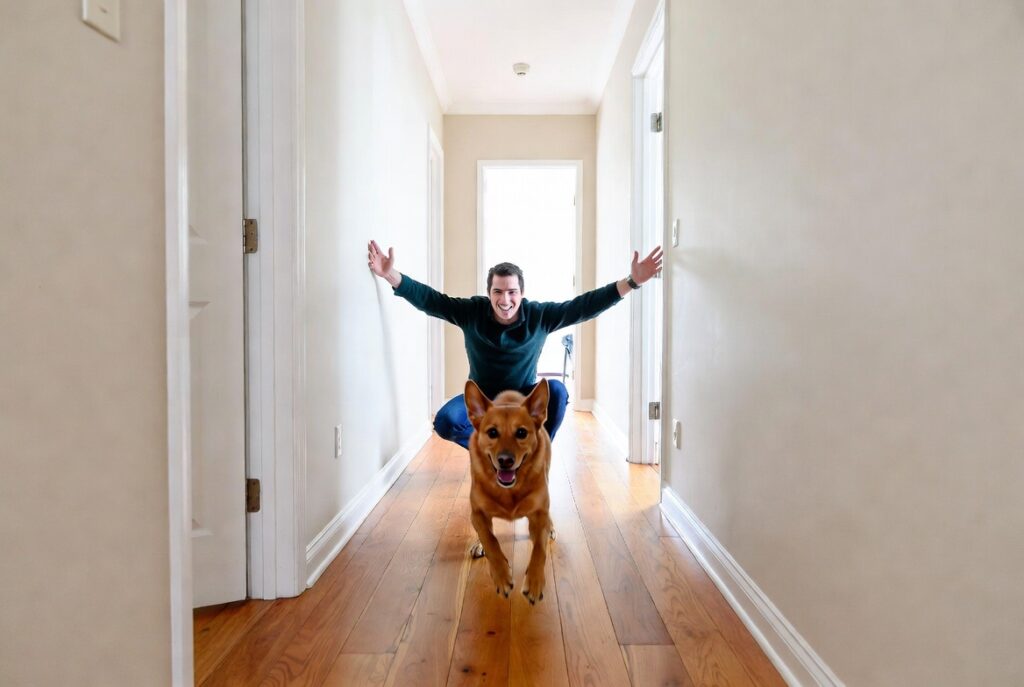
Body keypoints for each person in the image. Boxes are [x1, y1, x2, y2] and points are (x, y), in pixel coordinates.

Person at [366, 239, 663, 448]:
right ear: (489, 292)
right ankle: (492, 457)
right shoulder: (472, 312)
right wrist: (390, 274)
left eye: (511, 292)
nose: (504, 300)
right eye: (498, 292)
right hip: (482, 401)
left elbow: (583, 306)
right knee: (445, 422)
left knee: (557, 391)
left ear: (521, 292)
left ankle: (534, 454)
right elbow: (431, 300)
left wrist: (631, 282)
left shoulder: (539, 316)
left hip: (521, 398)